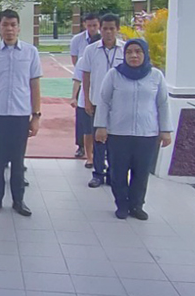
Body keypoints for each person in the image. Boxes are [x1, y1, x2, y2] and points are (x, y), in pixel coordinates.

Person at [92, 39, 172, 220]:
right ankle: (122, 204)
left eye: (138, 51)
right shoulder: (114, 75)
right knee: (118, 172)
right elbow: (103, 101)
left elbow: (163, 104)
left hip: (147, 134)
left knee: (141, 172)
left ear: (145, 54)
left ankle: (136, 205)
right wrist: (101, 126)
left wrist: (165, 130)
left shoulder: (156, 76)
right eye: (129, 52)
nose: (133, 55)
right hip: (118, 133)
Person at [0, 9, 42, 216]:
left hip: (20, 115)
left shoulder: (30, 53)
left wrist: (36, 116)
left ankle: (18, 200)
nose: (9, 29)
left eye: (13, 25)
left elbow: (35, 86)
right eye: (5, 25)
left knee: (18, 160)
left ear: (19, 27)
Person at [78, 13, 126, 189]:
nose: (108, 32)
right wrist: (87, 100)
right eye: (105, 28)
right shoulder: (91, 50)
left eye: (112, 28)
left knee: (116, 141)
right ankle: (98, 173)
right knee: (98, 139)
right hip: (97, 102)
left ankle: (114, 174)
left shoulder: (125, 49)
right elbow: (86, 76)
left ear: (117, 29)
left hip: (119, 104)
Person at [69, 13, 101, 158]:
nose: (92, 28)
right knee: (83, 119)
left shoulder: (103, 38)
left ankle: (99, 149)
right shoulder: (77, 40)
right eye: (89, 25)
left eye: (95, 25)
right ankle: (81, 146)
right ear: (84, 25)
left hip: (100, 85)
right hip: (84, 78)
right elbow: (74, 59)